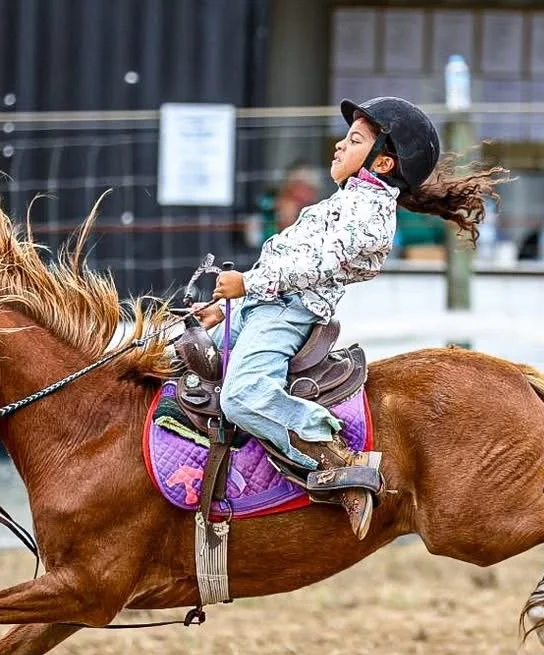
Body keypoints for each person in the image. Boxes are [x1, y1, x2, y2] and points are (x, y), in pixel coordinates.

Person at [198, 96, 506, 539]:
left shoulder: (371, 215)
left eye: (355, 140)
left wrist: (248, 283)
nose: (339, 146)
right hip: (264, 302)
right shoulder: (346, 201)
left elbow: (316, 265)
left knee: (242, 396)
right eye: (345, 138)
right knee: (189, 360)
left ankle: (334, 455)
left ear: (382, 163)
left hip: (287, 314)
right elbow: (291, 259)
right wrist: (232, 304)